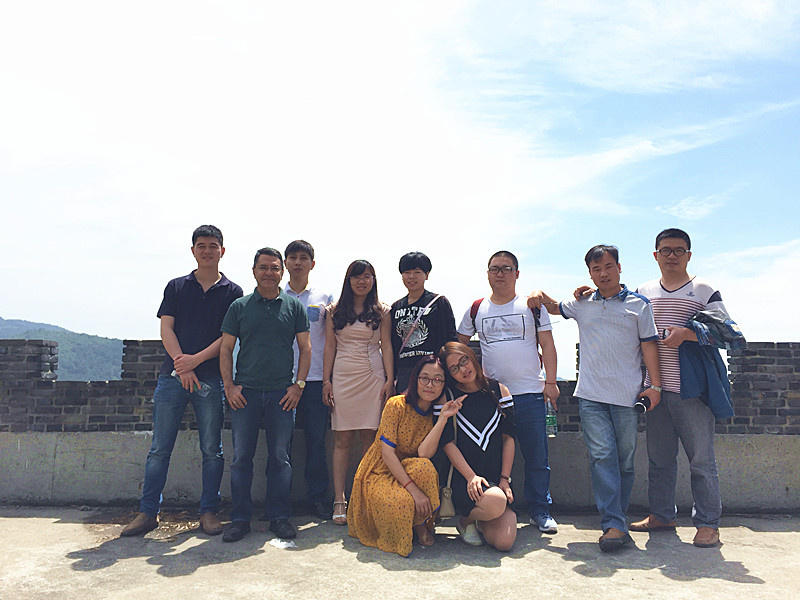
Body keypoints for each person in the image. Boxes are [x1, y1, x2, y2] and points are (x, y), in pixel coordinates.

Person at [529, 245, 661, 552]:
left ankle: (617, 520)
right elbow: (554, 307)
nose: (603, 274)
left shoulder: (639, 305)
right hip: (590, 396)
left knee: (624, 461)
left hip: (627, 396)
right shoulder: (582, 303)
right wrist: (538, 293)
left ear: (619, 268)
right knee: (602, 458)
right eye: (596, 269)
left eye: (608, 267)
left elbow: (649, 346)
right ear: (589, 273)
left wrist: (655, 386)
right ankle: (613, 524)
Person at [121, 225, 243, 538]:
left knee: (212, 450)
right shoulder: (176, 286)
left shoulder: (233, 292)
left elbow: (227, 338)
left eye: (213, 246)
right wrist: (182, 365)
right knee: (159, 449)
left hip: (211, 377)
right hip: (172, 378)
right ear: (193, 250)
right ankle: (148, 512)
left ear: (222, 251)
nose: (207, 251)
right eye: (201, 245)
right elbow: (167, 328)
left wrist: (195, 361)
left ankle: (208, 512)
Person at [631, 228, 733, 548]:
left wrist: (687, 334)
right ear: (655, 255)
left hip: (692, 390)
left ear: (689, 255)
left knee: (701, 461)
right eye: (665, 250)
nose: (672, 256)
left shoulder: (702, 289)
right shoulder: (643, 291)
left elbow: (729, 333)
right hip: (655, 389)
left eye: (678, 250)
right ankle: (662, 514)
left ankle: (708, 524)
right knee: (659, 459)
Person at [457, 250, 560, 534]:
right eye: (495, 269)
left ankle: (540, 510)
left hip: (529, 392)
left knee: (536, 455)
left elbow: (548, 345)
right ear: (487, 274)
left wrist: (551, 383)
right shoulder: (476, 309)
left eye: (506, 268)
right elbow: (459, 346)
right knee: (490, 453)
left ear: (517, 273)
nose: (500, 274)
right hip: (491, 396)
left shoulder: (531, 307)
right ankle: (495, 506)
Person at [219, 247, 311, 542]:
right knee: (241, 459)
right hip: (245, 392)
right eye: (263, 267)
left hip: (281, 392)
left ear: (282, 271)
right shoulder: (240, 306)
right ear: (254, 271)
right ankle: (239, 519)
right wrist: (229, 386)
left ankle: (279, 516)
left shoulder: (293, 307)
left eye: (274, 268)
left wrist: (298, 386)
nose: (269, 273)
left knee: (280, 458)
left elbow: (306, 348)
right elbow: (226, 349)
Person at [348, 356, 464, 557]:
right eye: (424, 378)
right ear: (415, 379)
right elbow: (387, 454)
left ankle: (420, 524)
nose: (430, 385)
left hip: (410, 470)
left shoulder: (433, 413)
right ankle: (415, 527)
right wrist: (414, 491)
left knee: (424, 467)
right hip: (380, 471)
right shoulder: (397, 405)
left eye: (438, 380)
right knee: (403, 502)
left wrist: (443, 419)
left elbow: (424, 454)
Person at [322, 260, 394, 525]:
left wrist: (389, 380)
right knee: (341, 440)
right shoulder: (333, 311)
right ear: (348, 280)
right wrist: (326, 381)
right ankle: (339, 500)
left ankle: (365, 498)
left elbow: (387, 345)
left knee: (369, 440)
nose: (361, 281)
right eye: (356, 277)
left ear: (373, 280)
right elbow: (329, 347)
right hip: (342, 377)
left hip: (372, 377)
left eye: (367, 276)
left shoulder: (382, 310)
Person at [268, 240, 334, 521]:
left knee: (316, 442)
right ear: (285, 263)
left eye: (303, 258)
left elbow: (333, 340)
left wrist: (329, 379)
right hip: (282, 380)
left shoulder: (325, 297)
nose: (297, 262)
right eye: (292, 257)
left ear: (312, 263)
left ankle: (318, 499)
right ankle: (278, 502)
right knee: (279, 444)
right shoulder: (274, 295)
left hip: (316, 379)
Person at [436, 342, 517, 551]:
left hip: (495, 480)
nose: (463, 369)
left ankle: (484, 517)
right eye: (454, 368)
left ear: (472, 356)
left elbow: (508, 438)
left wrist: (504, 479)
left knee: (504, 542)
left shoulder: (499, 390)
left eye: (464, 360)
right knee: (495, 501)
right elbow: (447, 443)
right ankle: (465, 521)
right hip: (464, 480)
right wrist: (471, 477)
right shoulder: (448, 397)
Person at [390, 252, 458, 393]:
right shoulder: (395, 307)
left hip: (432, 370)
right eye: (407, 272)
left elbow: (450, 339)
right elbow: (392, 343)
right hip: (405, 372)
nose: (411, 276)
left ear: (427, 275)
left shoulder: (439, 302)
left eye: (417, 272)